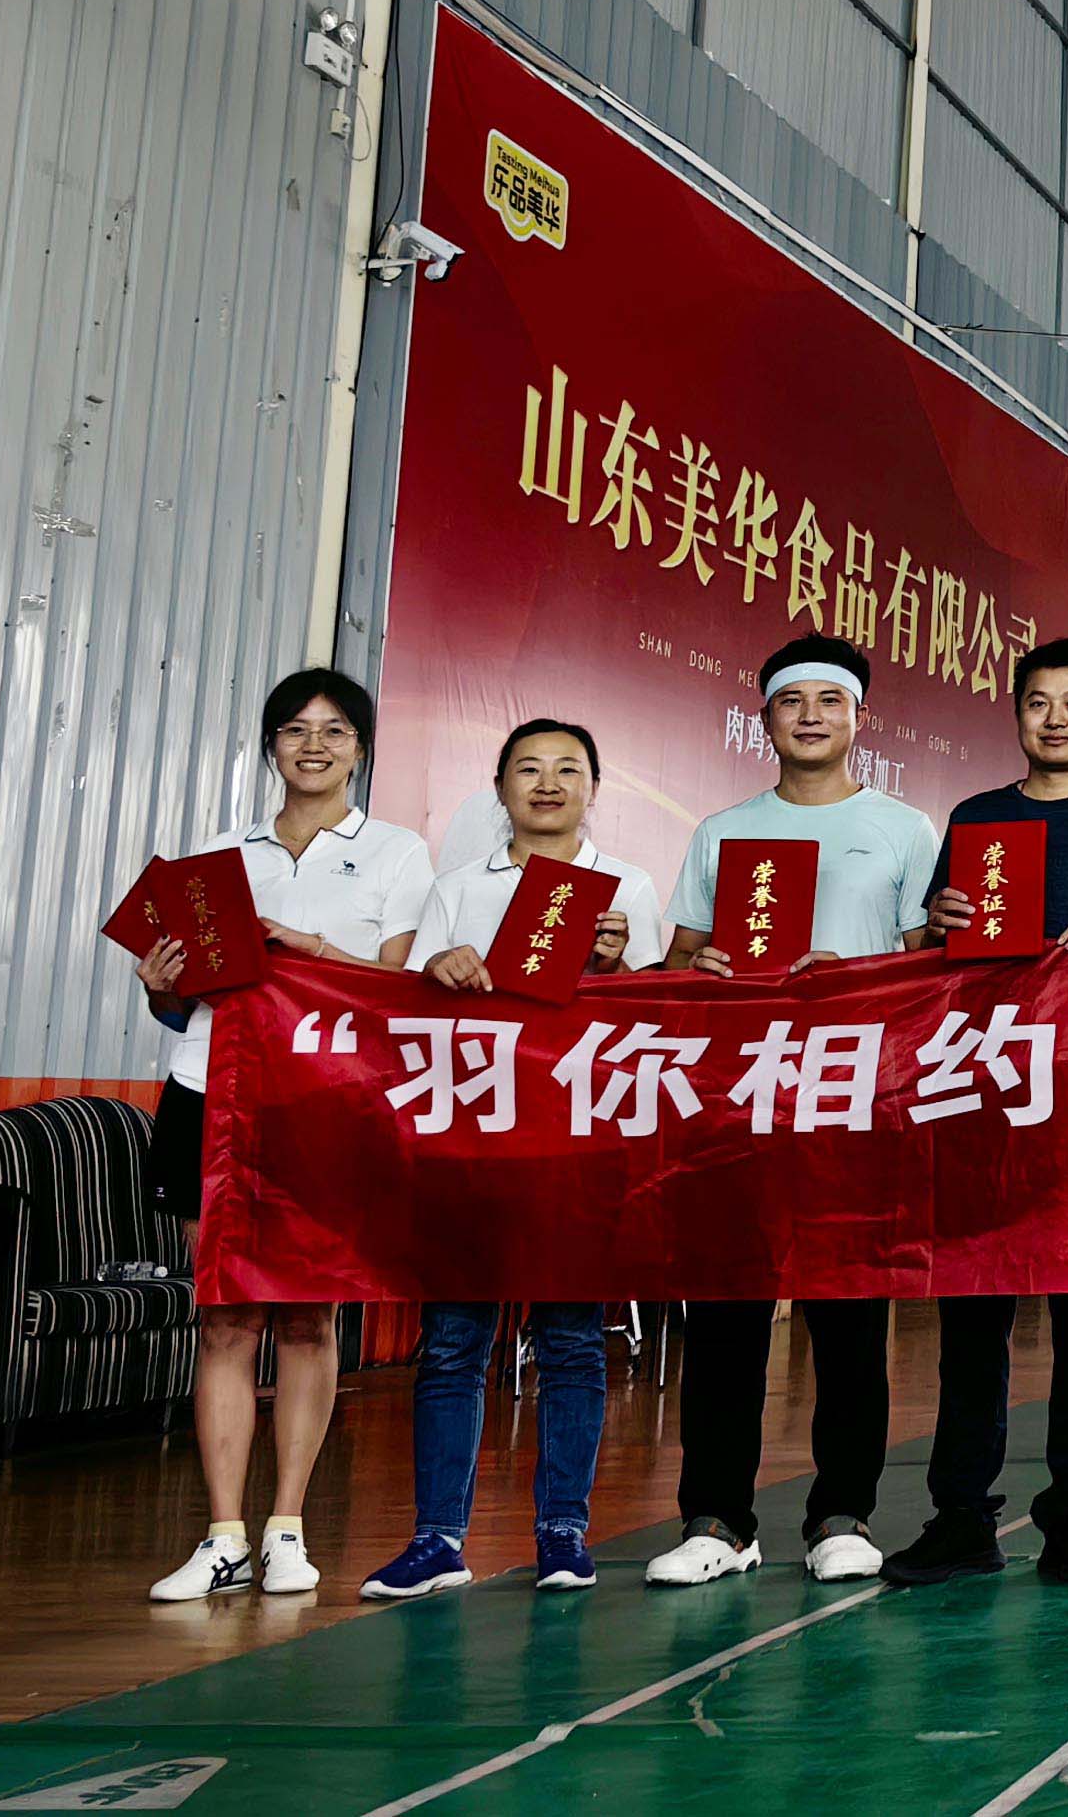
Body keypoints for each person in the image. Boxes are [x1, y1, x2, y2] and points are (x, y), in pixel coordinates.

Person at [646, 634, 958, 1590]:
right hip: (738, 1098)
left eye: (830, 700)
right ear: (765, 720)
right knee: (726, 1313)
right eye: (792, 701)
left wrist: (855, 975)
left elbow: (928, 966)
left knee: (850, 1315)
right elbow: (677, 962)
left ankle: (842, 1513)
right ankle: (717, 1518)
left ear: (860, 719)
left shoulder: (905, 828)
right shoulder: (723, 831)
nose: (811, 716)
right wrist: (695, 967)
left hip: (855, 1096)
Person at [882, 638, 1068, 1591]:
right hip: (982, 1095)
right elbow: (932, 952)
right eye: (1038, 702)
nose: (1055, 718)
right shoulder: (978, 818)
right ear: (1017, 715)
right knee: (974, 1317)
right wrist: (940, 928)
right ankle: (962, 1517)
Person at [140, 669, 434, 1603]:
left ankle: (287, 1530)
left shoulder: (397, 853)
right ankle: (223, 1535)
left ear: (360, 750)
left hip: (331, 1106)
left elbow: (402, 993)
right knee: (224, 1316)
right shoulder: (217, 860)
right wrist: (160, 986)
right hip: (211, 1096)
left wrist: (315, 953)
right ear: (270, 746)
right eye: (295, 729)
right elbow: (181, 1008)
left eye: (335, 730)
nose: (314, 744)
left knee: (310, 1317)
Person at [360, 720, 670, 1600]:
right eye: (527, 768)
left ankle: (564, 1534)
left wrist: (616, 967)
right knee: (454, 1342)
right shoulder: (457, 888)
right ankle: (436, 1540)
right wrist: (439, 967)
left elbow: (661, 1020)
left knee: (571, 1341)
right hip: (476, 1143)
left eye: (568, 768)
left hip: (578, 1143)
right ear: (498, 788)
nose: (547, 783)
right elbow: (406, 1016)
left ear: (593, 788)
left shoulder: (628, 887)